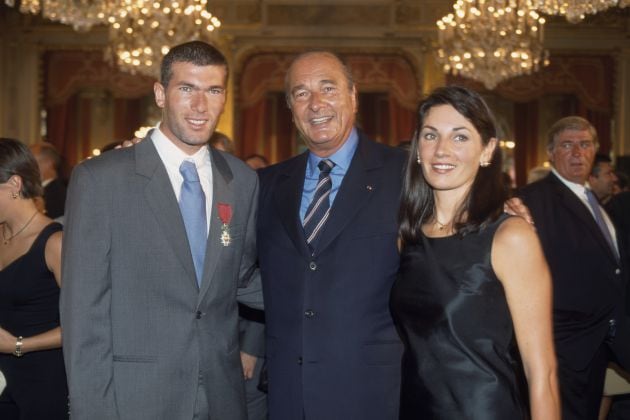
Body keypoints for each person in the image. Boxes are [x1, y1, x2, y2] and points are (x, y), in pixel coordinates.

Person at [60, 41, 261, 420]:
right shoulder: (101, 180)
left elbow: (243, 276)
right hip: (136, 399)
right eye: (187, 89)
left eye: (213, 90)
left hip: (223, 396)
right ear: (160, 94)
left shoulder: (242, 180)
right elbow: (84, 312)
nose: (201, 105)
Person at [391, 86, 560, 419]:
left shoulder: (511, 237)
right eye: (430, 135)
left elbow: (543, 373)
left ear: (487, 150)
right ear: (418, 148)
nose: (441, 150)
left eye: (460, 137)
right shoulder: (407, 237)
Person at [256, 51, 407, 419]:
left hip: (372, 391)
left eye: (328, 88)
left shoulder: (406, 175)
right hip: (288, 392)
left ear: (353, 96)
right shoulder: (264, 185)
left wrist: (506, 211)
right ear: (291, 109)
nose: (316, 103)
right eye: (301, 93)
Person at [519, 116, 630, 420]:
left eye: (584, 144)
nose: (577, 152)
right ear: (551, 152)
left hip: (603, 339)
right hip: (564, 346)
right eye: (567, 145)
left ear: (595, 150)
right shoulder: (532, 201)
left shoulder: (592, 199)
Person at [0, 138, 67, 419]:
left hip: (44, 385)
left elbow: (84, 326)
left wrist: (18, 345)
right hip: (4, 383)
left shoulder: (56, 243)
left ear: (15, 185)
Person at [29, 142, 66, 219]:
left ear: (48, 163)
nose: (26, 167)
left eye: (31, 162)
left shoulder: (59, 195)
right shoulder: (30, 190)